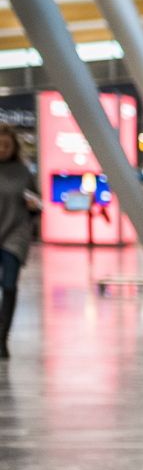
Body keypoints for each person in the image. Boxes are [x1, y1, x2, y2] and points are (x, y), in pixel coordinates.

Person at [0, 124, 40, 360]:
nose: (3, 149)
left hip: (15, 235)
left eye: (7, 145)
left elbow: (36, 202)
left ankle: (3, 337)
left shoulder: (23, 173)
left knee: (9, 285)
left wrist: (34, 208)